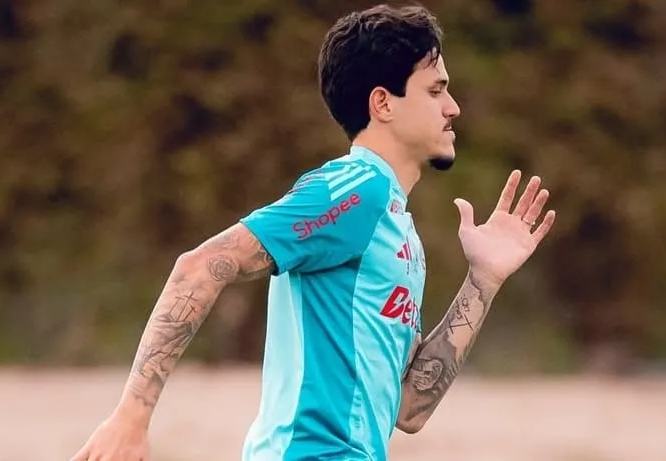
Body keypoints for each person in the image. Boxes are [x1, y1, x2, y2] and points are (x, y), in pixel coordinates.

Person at [71, 4, 556, 461]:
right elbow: (199, 267)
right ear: (383, 103)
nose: (453, 108)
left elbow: (409, 409)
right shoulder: (354, 190)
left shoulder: (395, 224)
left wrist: (483, 280)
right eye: (435, 90)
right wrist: (131, 416)